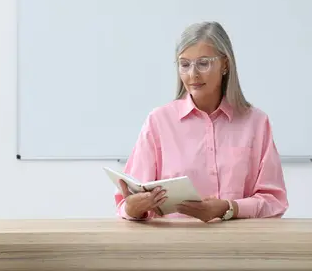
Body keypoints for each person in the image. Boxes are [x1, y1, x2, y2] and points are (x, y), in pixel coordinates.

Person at [114, 21, 288, 222]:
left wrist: (227, 208)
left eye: (203, 63)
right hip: (175, 247)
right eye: (185, 64)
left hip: (239, 247)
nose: (193, 74)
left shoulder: (256, 123)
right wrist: (133, 208)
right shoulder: (159, 122)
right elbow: (129, 203)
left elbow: (274, 202)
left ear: (225, 64)